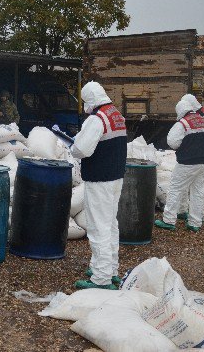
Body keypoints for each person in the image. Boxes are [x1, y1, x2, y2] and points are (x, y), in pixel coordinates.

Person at [71, 81, 127, 290]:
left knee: (98, 227)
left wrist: (74, 146)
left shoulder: (97, 119)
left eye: (85, 101)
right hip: (115, 177)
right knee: (111, 224)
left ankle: (100, 279)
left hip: (100, 178)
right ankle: (110, 270)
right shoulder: (116, 115)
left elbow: (82, 149)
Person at [155, 97, 204, 233]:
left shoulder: (183, 123)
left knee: (175, 189)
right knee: (198, 192)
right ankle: (195, 223)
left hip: (187, 163)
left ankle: (168, 220)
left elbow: (172, 142)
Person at [176, 93, 204, 221]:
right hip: (203, 157)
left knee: (181, 186)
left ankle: (183, 212)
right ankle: (195, 216)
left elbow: (176, 139)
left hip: (188, 157)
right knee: (198, 190)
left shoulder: (191, 117)